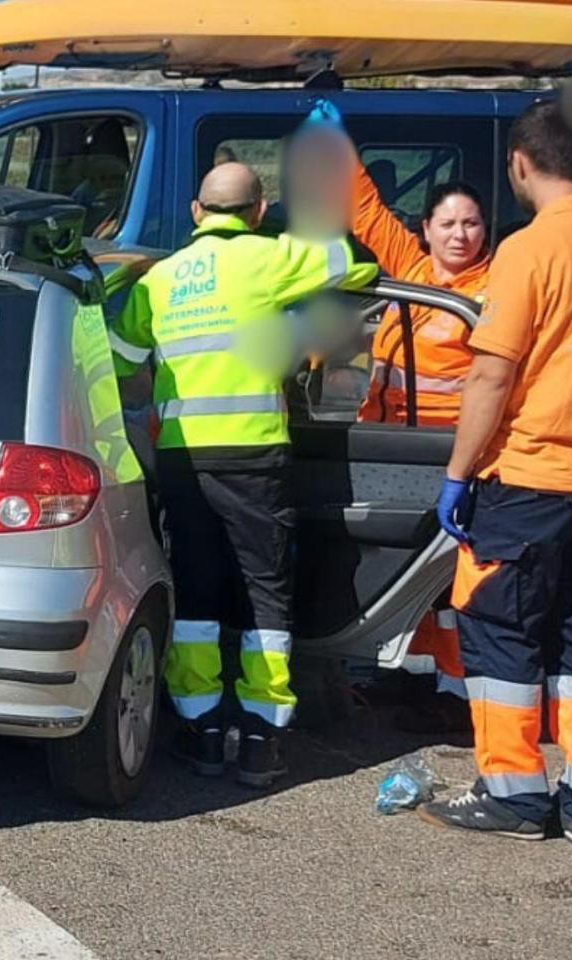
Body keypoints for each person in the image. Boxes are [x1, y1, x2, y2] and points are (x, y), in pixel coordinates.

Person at [415, 104, 572, 850]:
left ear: (521, 164)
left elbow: (492, 374)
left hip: (530, 474)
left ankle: (515, 794)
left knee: (499, 634)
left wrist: (459, 472)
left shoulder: (531, 251)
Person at [111, 161, 377, 787]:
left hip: (181, 456)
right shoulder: (272, 257)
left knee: (198, 590)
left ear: (196, 213)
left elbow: (123, 366)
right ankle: (261, 738)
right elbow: (359, 261)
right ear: (257, 211)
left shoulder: (159, 280)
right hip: (255, 454)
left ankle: (201, 729)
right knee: (265, 591)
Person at [322, 102, 494, 732]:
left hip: (452, 449)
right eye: (448, 223)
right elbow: (363, 208)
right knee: (403, 574)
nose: (459, 234)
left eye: (471, 224)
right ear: (425, 229)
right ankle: (410, 680)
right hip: (392, 440)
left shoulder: (493, 289)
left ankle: (455, 693)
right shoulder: (414, 271)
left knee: (450, 583)